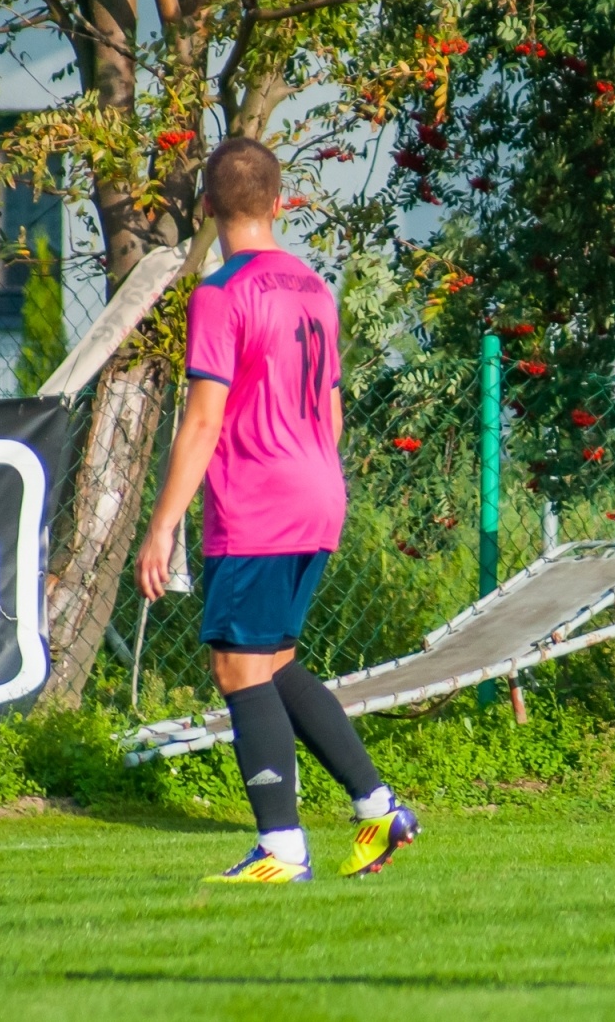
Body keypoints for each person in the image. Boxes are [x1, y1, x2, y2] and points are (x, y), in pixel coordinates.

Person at [135, 137, 416, 884]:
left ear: (206, 209)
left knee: (235, 666)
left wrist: (162, 525)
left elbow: (202, 420)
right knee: (275, 661)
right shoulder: (314, 289)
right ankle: (377, 805)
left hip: (259, 503)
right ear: (280, 201)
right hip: (319, 492)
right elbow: (332, 412)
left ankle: (282, 847)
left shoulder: (220, 293)